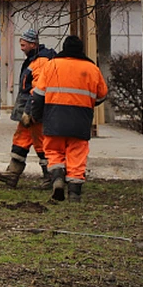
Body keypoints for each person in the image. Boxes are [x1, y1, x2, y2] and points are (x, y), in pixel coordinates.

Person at [29, 35, 108, 202]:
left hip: (54, 117)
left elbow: (38, 95)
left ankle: (57, 178)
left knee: (54, 151)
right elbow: (102, 95)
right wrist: (87, 102)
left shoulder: (52, 66)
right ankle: (74, 193)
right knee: (77, 155)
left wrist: (36, 115)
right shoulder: (92, 68)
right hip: (80, 119)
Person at [0, 29, 56, 189]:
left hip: (35, 110)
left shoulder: (40, 61)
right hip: (32, 109)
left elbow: (38, 89)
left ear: (33, 44)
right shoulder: (36, 59)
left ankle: (50, 177)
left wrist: (29, 111)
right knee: (21, 140)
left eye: (23, 44)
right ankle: (12, 174)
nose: (21, 47)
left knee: (41, 143)